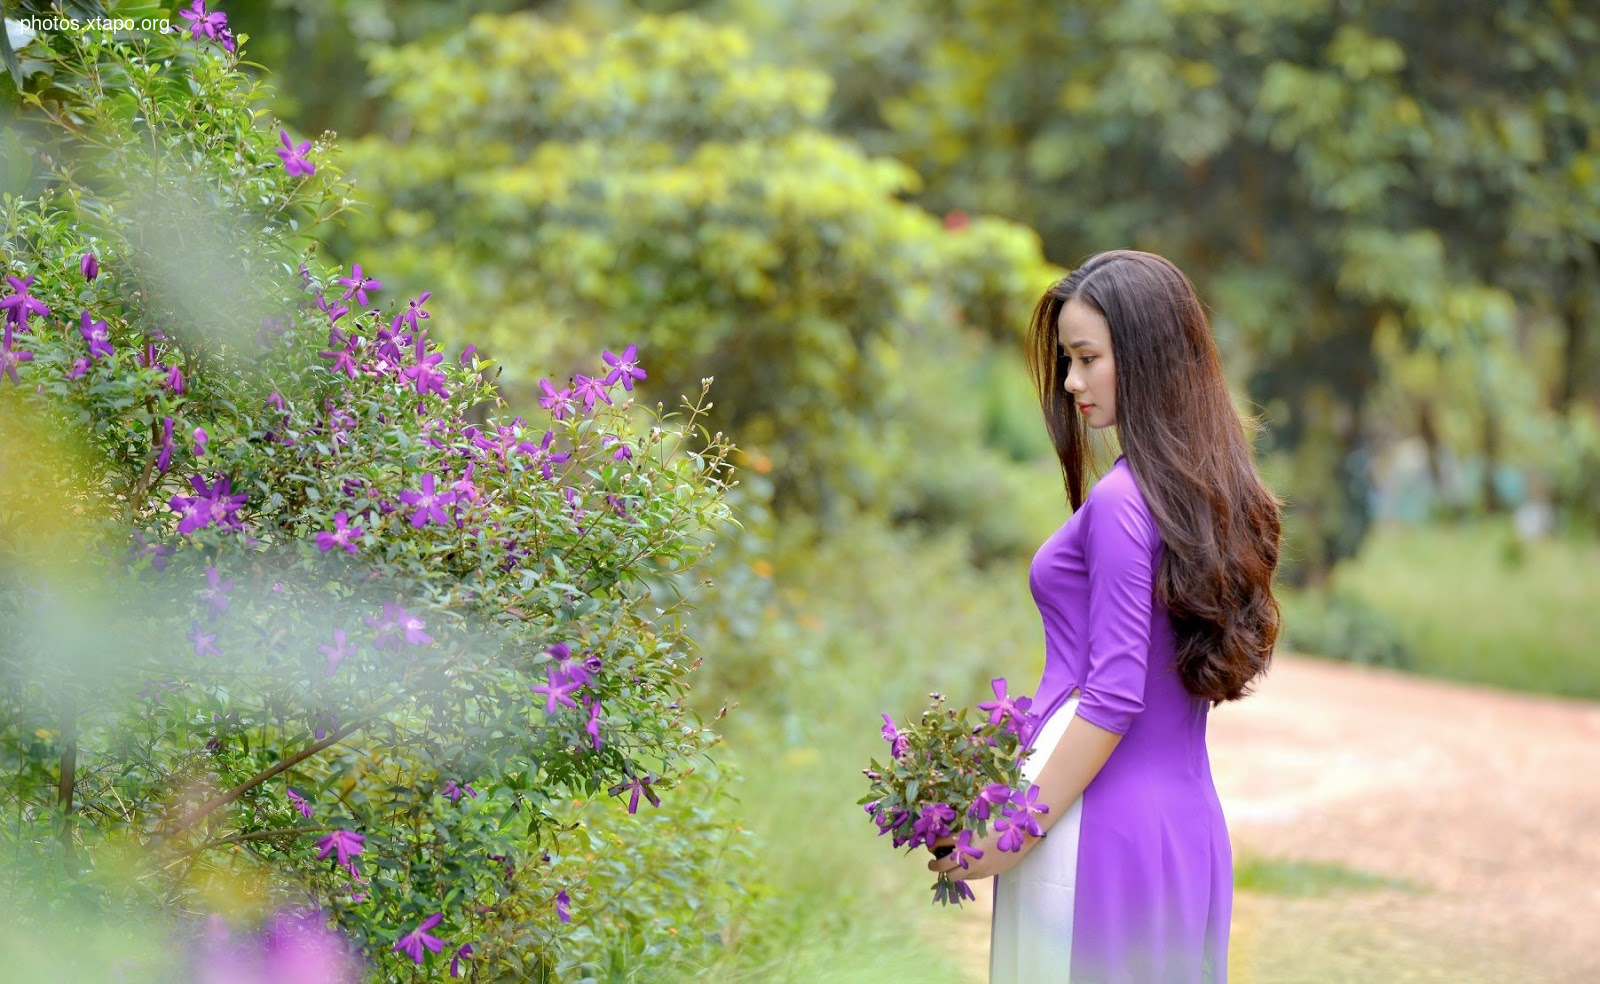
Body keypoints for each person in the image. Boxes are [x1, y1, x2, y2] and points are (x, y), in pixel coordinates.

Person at [928, 250, 1284, 983]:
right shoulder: (1204, 492)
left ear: (1149, 358)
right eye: (1067, 359)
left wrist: (1010, 835)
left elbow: (1114, 695)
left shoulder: (1124, 504)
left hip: (1097, 833)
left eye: (1088, 358)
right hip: (1183, 827)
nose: (1070, 382)